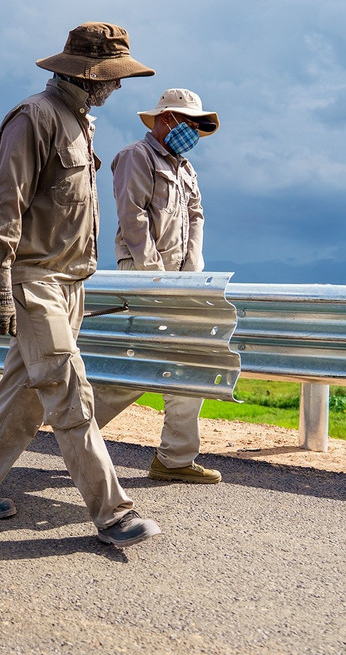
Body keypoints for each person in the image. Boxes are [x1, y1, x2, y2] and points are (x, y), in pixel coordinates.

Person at [0, 22, 162, 549]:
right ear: (89, 74)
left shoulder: (80, 121)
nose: (116, 88)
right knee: (70, 392)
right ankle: (113, 513)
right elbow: (7, 204)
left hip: (70, 284)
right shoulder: (34, 119)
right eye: (112, 78)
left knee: (26, 392)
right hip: (35, 281)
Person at [93, 88, 222, 483]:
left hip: (178, 281)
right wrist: (154, 275)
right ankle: (72, 424)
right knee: (145, 364)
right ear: (166, 118)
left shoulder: (184, 168)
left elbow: (196, 214)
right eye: (190, 122)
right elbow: (131, 216)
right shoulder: (136, 157)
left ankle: (175, 457)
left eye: (200, 125)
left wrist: (191, 269)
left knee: (183, 361)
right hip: (145, 276)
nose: (196, 131)